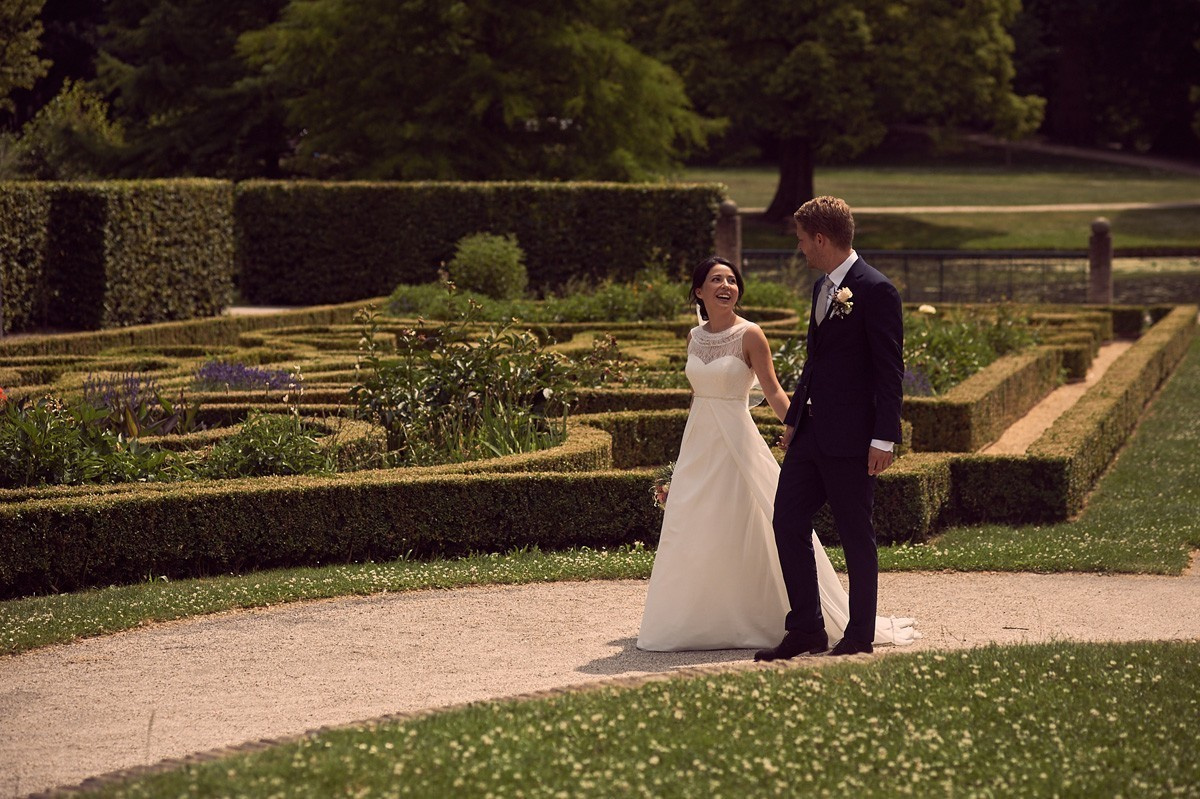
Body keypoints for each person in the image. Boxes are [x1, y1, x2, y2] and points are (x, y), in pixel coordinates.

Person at [637, 254, 917, 652]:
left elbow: (772, 390)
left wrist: (800, 429)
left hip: (739, 439)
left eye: (731, 280)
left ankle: (820, 625)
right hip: (700, 440)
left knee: (776, 520)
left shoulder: (751, 334)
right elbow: (698, 394)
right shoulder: (693, 337)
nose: (726, 286)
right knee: (696, 526)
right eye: (716, 279)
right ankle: (698, 618)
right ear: (698, 291)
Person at [755, 196, 906, 661]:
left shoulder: (876, 290)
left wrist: (883, 438)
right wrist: (795, 420)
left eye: (802, 240)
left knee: (856, 533)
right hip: (812, 435)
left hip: (853, 439)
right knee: (787, 521)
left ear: (821, 238)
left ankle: (860, 635)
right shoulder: (821, 288)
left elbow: (889, 371)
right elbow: (815, 365)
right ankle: (806, 629)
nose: (799, 248)